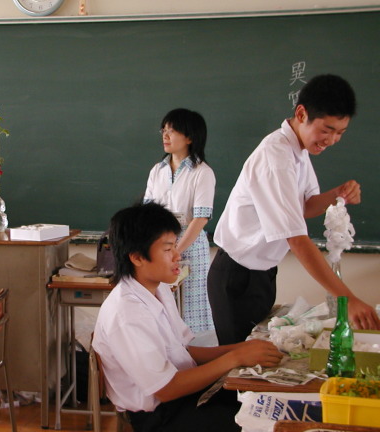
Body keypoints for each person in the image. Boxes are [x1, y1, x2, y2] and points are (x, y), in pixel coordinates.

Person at [208, 74, 380, 346]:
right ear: (301, 114)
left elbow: (305, 207)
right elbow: (297, 239)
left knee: (262, 351)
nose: (332, 140)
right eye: (327, 130)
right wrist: (347, 299)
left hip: (262, 273)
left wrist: (337, 194)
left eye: (340, 133)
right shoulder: (276, 156)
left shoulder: (298, 151)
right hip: (237, 276)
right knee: (240, 361)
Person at [92, 202, 283, 432]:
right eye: (167, 249)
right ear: (137, 257)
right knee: (258, 424)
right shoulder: (127, 314)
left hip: (184, 395)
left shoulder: (159, 289)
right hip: (160, 416)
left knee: (265, 399)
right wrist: (235, 358)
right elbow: (166, 389)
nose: (177, 255)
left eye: (175, 245)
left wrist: (241, 348)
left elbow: (184, 351)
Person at [144, 108, 215, 332]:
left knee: (190, 310)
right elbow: (148, 212)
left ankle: (192, 351)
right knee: (162, 309)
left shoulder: (202, 172)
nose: (165, 136)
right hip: (160, 244)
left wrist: (175, 250)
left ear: (189, 137)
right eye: (163, 130)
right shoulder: (157, 170)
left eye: (172, 131)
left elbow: (201, 218)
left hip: (190, 245)